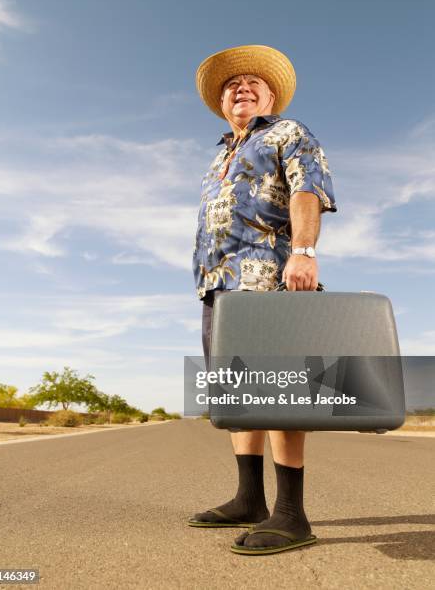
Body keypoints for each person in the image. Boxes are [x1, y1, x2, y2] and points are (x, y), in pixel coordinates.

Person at [189, 45, 337, 555]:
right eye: (233, 84)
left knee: (278, 392)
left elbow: (307, 191)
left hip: (268, 277)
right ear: (222, 102)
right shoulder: (219, 155)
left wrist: (303, 250)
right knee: (236, 396)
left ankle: (292, 515)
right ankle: (249, 498)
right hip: (217, 286)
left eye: (254, 83)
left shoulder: (287, 133)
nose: (242, 88)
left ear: (271, 96)